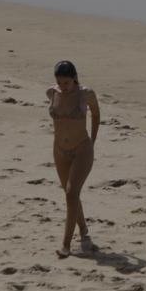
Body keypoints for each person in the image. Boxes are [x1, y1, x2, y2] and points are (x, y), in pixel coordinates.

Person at [46, 60, 101, 256]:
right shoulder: (51, 93)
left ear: (75, 79)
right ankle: (85, 235)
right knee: (71, 195)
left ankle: (66, 245)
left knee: (71, 193)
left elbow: (96, 115)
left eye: (67, 83)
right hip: (60, 150)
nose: (63, 87)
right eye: (60, 83)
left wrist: (93, 140)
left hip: (81, 149)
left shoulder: (86, 94)